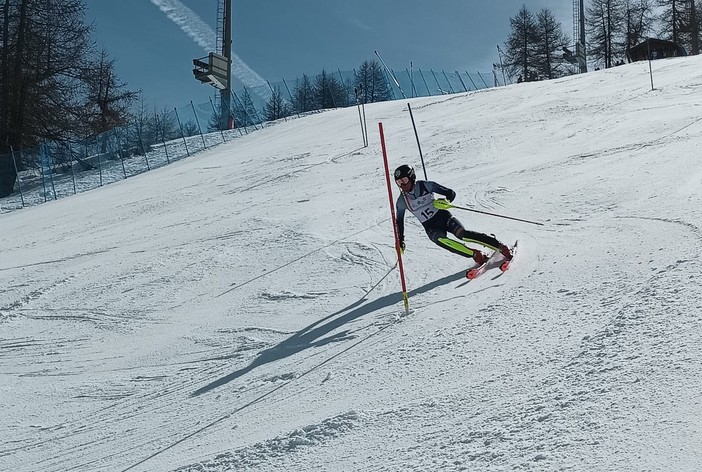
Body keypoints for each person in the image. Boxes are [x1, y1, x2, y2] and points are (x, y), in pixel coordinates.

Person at [393, 164, 512, 266]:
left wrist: (446, 202)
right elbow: (399, 222)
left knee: (463, 235)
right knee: (442, 241)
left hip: (443, 217)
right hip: (431, 228)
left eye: (404, 180)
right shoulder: (402, 201)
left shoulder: (425, 186)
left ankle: (500, 247)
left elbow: (450, 193)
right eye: (399, 182)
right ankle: (475, 254)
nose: (402, 185)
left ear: (411, 177)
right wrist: (401, 240)